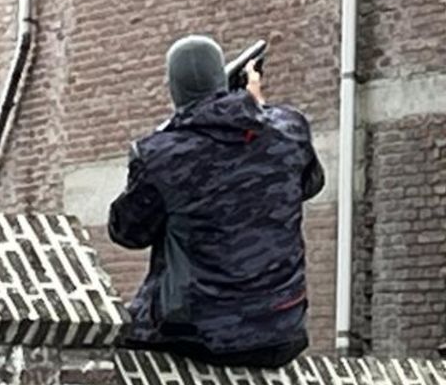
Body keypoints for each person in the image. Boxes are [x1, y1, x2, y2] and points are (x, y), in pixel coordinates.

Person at [109, 34, 324, 367]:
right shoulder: (290, 129)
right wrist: (255, 110)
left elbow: (126, 232)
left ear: (173, 88)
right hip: (281, 329)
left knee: (107, 350)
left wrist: (156, 150)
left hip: (199, 335)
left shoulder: (161, 153)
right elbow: (309, 184)